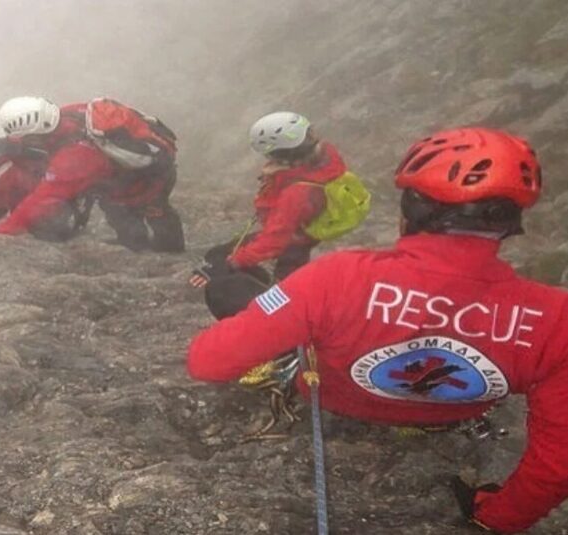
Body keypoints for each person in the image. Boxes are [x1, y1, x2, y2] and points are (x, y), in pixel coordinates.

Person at [186, 127, 565, 533]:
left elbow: (207, 361)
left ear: (411, 210)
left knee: (229, 289)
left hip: (335, 402)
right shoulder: (556, 317)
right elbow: (558, 461)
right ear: (508, 224)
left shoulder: (335, 277)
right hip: (450, 417)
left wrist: (285, 315)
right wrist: (497, 518)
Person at [0, 96, 185, 251]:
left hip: (145, 180)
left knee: (151, 213)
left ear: (35, 133)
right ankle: (137, 246)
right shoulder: (72, 113)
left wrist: (4, 231)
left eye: (26, 138)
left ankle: (168, 253)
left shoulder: (75, 155)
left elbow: (43, 197)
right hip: (136, 173)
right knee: (121, 212)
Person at [190, 112, 347, 288]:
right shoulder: (321, 159)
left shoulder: (297, 192)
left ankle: (275, 302)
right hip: (302, 234)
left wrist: (232, 263)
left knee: (285, 289)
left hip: (294, 239)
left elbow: (275, 240)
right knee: (289, 278)